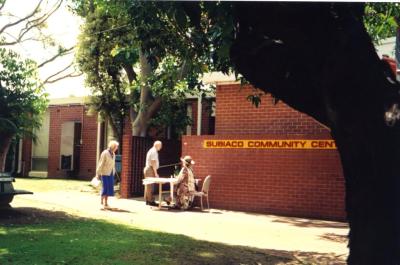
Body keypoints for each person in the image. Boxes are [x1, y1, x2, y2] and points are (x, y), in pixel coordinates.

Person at [96, 140, 119, 210]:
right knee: (105, 187)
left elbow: (113, 164)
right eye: (116, 147)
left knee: (109, 188)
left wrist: (114, 172)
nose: (117, 148)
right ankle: (102, 201)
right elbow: (101, 163)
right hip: (105, 172)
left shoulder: (113, 154)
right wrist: (98, 173)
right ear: (113, 146)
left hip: (111, 173)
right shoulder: (105, 153)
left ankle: (106, 202)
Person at [143, 140, 162, 206]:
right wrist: (156, 173)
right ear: (157, 145)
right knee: (150, 186)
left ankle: (148, 200)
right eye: (160, 145)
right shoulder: (153, 151)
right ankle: (150, 201)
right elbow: (153, 162)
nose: (161, 147)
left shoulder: (152, 150)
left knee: (148, 186)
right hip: (150, 169)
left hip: (149, 169)